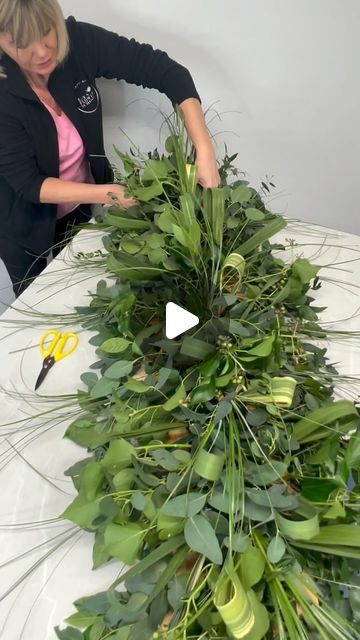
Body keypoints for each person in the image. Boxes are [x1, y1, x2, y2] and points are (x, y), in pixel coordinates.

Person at [0, 0, 220, 296]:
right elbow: (28, 184)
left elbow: (169, 73)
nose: (41, 52)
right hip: (21, 224)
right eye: (22, 44)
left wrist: (204, 149)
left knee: (82, 292)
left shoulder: (78, 42)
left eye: (45, 31)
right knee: (39, 302)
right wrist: (109, 193)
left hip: (76, 210)